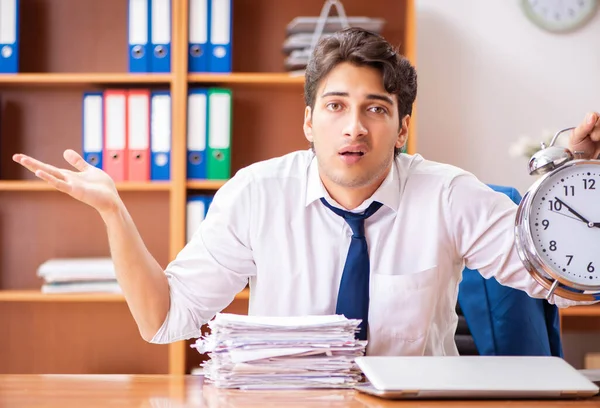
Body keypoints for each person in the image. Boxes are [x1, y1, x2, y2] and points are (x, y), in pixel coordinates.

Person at [13, 28, 600, 356]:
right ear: (308, 122)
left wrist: (574, 180)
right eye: (336, 108)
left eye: (376, 110)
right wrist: (114, 212)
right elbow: (163, 320)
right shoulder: (255, 194)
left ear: (401, 128)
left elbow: (566, 286)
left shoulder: (449, 194)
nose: (354, 127)